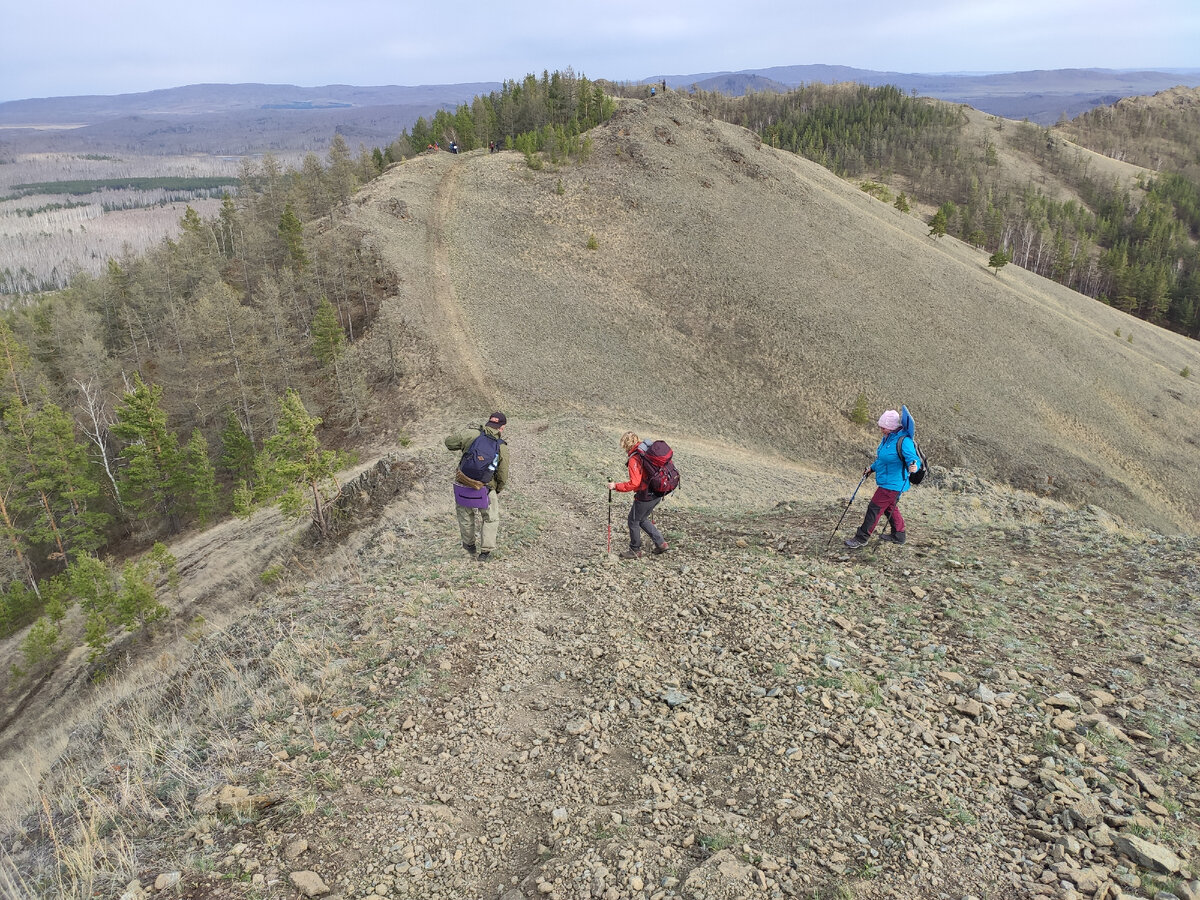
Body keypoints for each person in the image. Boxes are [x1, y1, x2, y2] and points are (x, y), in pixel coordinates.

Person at [845, 410, 919, 548]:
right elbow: (882, 459)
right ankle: (899, 535)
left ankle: (861, 538)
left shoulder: (904, 441)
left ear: (891, 427)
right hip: (887, 481)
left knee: (874, 508)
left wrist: (914, 466)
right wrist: (871, 468)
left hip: (894, 483)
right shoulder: (887, 438)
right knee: (890, 508)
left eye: (883, 427)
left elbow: (913, 459)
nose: (881, 430)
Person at [445, 412, 509, 561]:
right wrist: (497, 489)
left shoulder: (471, 434)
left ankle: (469, 547)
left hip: (463, 483)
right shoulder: (501, 446)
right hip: (485, 488)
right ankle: (485, 552)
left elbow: (449, 443)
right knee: (490, 518)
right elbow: (503, 473)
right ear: (502, 428)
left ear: (488, 423)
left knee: (465, 515)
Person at [607, 432, 669, 559]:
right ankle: (661, 543)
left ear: (626, 444)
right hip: (658, 492)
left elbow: (634, 483)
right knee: (642, 519)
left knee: (633, 521)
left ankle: (635, 550)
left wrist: (615, 486)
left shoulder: (635, 458)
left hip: (646, 494)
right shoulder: (647, 452)